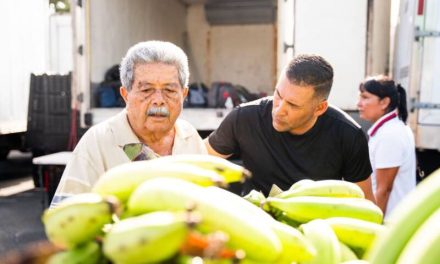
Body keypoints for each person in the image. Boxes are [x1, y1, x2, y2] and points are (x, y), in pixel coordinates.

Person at [51, 41, 207, 207]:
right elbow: (65, 220)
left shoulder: (190, 137)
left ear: (183, 95)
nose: (159, 101)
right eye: (147, 90)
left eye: (169, 90)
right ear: (125, 94)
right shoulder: (97, 142)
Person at [205, 54, 375, 202]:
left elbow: (365, 202)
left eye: (293, 105)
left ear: (319, 108)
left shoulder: (348, 135)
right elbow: (196, 160)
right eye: (278, 95)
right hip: (255, 224)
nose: (278, 110)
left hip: (315, 230)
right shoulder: (244, 118)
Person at [357, 75, 416, 217]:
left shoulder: (390, 135)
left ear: (384, 102)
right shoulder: (389, 129)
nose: (358, 103)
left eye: (365, 97)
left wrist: (374, 224)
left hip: (390, 221)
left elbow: (384, 190)